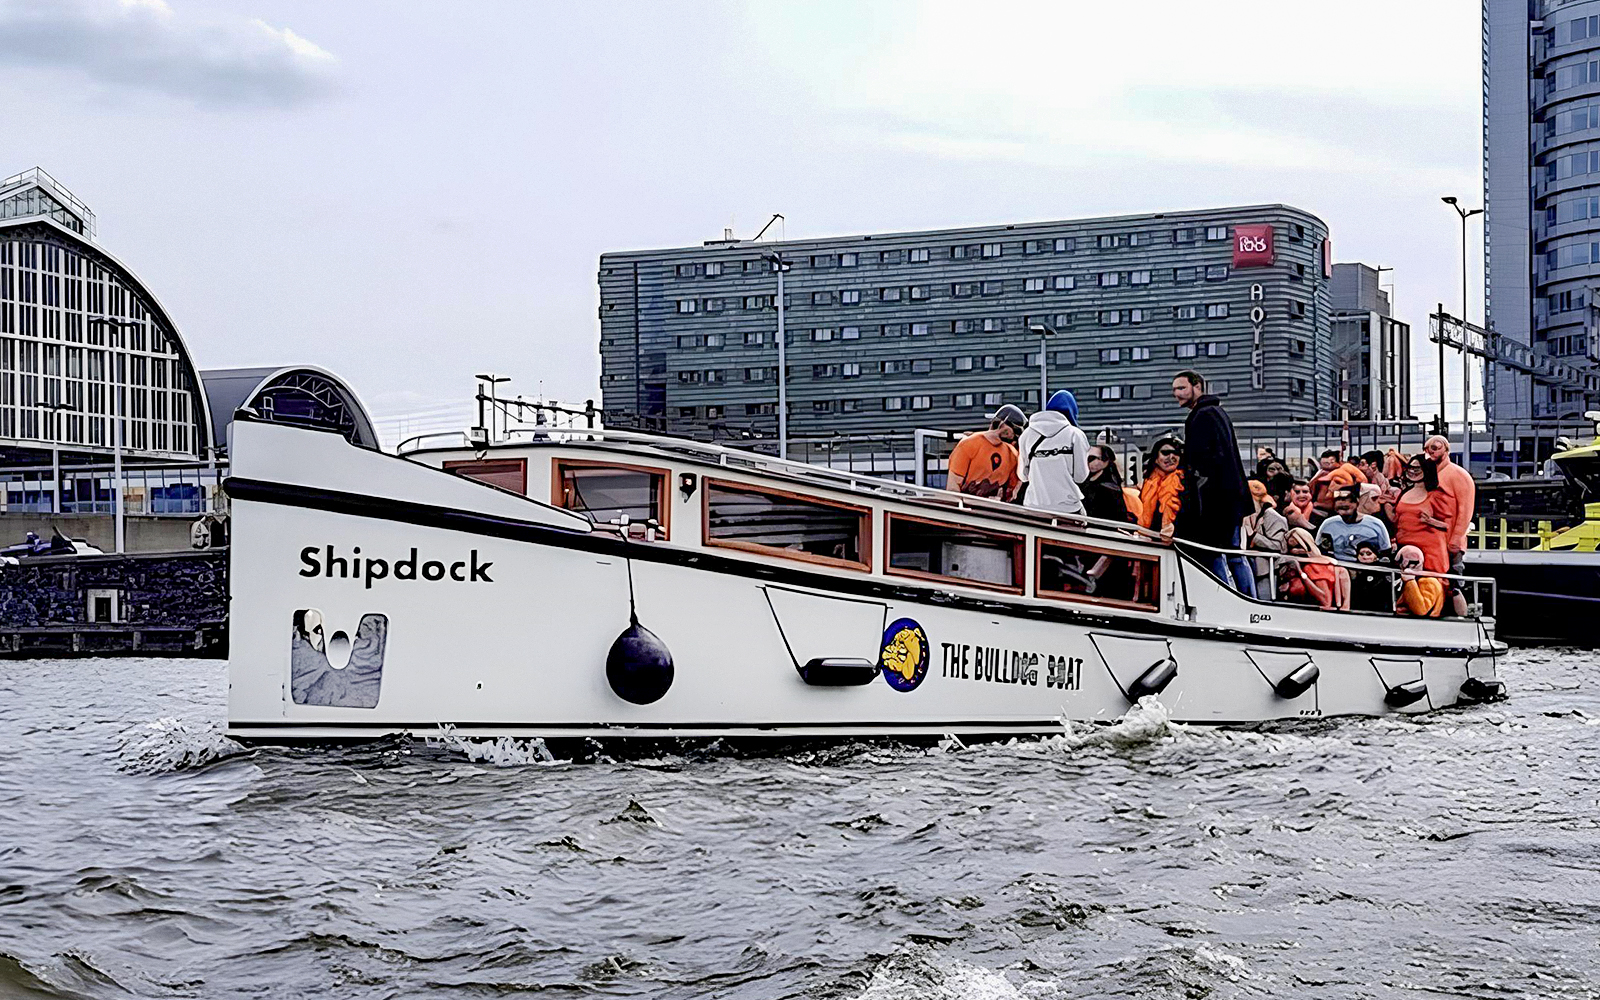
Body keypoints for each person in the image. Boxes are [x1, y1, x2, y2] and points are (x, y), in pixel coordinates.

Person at [1170, 370, 1255, 597]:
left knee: (1215, 552)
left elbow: (1206, 460)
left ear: (1197, 386)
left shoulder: (1203, 415)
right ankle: (1247, 597)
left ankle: (1227, 597)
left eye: (1181, 388)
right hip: (1229, 497)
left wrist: (1194, 480)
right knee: (1233, 553)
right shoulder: (1216, 412)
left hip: (1216, 499)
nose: (1176, 394)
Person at [1423, 435, 1476, 615]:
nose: (1430, 451)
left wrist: (1456, 538)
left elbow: (1465, 510)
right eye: (1427, 448)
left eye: (1435, 447)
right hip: (1431, 538)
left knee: (1453, 580)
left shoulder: (1458, 474)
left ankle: (1458, 615)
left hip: (1449, 537)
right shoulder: (1429, 473)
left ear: (1446, 449)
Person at [1018, 390, 1091, 515]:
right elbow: (1080, 477)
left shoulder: (1027, 434)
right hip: (1067, 508)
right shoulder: (1075, 434)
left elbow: (1023, 476)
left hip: (1034, 506)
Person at [1393, 454, 1455, 576]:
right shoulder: (1404, 492)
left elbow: (1450, 525)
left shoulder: (1437, 495)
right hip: (1405, 548)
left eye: (1417, 468)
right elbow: (1397, 519)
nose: (1412, 471)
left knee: (1430, 588)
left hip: (1430, 551)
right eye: (1410, 468)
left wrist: (1432, 521)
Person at [947, 405, 1025, 501]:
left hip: (991, 511)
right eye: (1016, 432)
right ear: (1004, 426)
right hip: (968, 508)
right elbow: (953, 487)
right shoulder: (969, 444)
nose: (1015, 436)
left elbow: (1011, 494)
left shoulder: (1012, 454)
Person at [1314, 485, 1392, 563]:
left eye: (1348, 502)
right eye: (1339, 501)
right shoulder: (1328, 524)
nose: (1342, 503)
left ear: (1357, 503)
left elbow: (1386, 553)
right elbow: (1318, 550)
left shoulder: (1376, 524)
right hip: (1337, 566)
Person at [1244, 479, 1289, 598]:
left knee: (1264, 600)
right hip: (1250, 566)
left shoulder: (1273, 517)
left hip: (1267, 570)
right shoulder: (1246, 516)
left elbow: (1280, 546)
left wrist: (1254, 536)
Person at [1279, 527, 1340, 609]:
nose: (1295, 550)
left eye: (1298, 546)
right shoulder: (1288, 560)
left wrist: (1301, 571)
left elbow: (1325, 601)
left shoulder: (1313, 565)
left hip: (1309, 573)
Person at [1138, 437, 1184, 541]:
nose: (1171, 457)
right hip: (1151, 541)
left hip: (1176, 544)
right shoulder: (1148, 483)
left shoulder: (1184, 483)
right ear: (1156, 458)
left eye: (1175, 453)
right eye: (1165, 453)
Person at [1082, 443, 1135, 524]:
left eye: (1091, 458)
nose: (1086, 461)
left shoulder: (1110, 489)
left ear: (1105, 461)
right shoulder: (1084, 482)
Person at [1307, 450, 1367, 518]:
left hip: (1345, 498)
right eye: (1323, 464)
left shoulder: (1345, 468)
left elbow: (1363, 481)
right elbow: (1310, 486)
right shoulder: (1323, 473)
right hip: (1325, 504)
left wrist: (1342, 487)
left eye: (1328, 464)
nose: (1326, 467)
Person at [1394, 544, 1445, 617]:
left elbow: (1421, 610)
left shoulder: (1429, 582)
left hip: (1422, 625)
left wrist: (1409, 581)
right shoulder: (1404, 580)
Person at [1348, 540, 1396, 613]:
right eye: (1361, 554)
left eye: (1368, 554)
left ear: (1376, 556)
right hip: (1357, 611)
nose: (1365, 557)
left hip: (1382, 612)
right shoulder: (1353, 571)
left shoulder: (1385, 571)